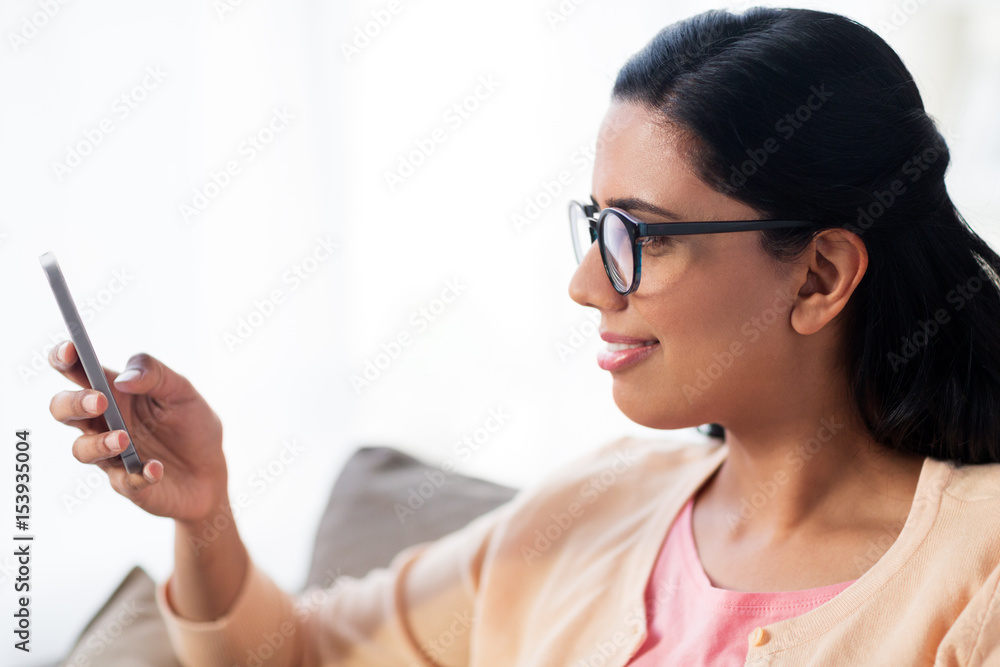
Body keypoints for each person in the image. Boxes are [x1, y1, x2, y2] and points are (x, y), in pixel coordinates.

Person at [47, 6, 1000, 666]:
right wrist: (202, 512)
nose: (587, 284)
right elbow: (296, 652)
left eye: (645, 237)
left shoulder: (979, 568)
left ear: (822, 274)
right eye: (596, 227)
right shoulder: (596, 507)